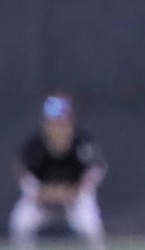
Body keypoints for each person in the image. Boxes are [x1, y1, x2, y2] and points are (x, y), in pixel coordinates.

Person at [9, 93, 108, 250]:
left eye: (62, 122)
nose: (57, 128)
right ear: (45, 123)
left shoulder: (82, 142)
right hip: (42, 198)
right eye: (53, 123)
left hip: (75, 197)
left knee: (91, 228)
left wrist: (77, 190)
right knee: (20, 224)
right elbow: (24, 173)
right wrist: (39, 192)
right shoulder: (35, 145)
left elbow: (95, 170)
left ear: (70, 121)